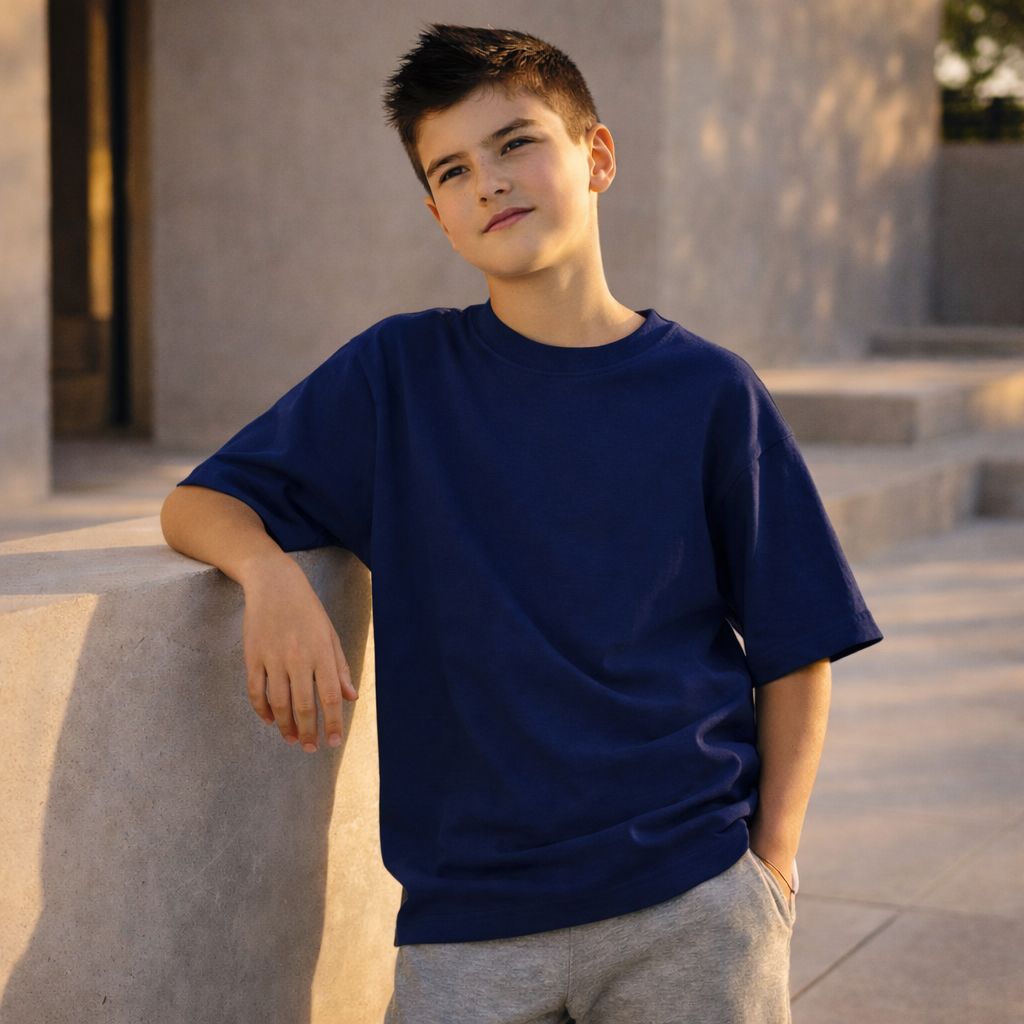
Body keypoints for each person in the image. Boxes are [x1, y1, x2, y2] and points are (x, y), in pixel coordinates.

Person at [161, 24, 882, 1024]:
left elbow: (797, 644)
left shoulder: (709, 391)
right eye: (452, 170)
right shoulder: (397, 377)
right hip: (470, 921)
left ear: (597, 156)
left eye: (516, 143)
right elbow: (197, 502)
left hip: (690, 899)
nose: (488, 181)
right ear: (438, 216)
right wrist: (270, 574)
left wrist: (771, 867)